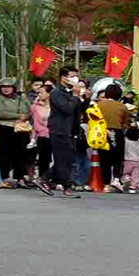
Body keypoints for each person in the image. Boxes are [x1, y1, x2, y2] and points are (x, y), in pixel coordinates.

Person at [41, 68, 88, 199]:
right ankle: (66, 186)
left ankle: (44, 179)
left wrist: (85, 99)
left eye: (76, 76)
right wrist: (75, 96)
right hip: (59, 130)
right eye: (72, 76)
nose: (75, 79)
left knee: (68, 158)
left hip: (71, 130)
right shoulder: (56, 93)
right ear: (63, 78)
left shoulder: (72, 93)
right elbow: (66, 109)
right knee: (63, 159)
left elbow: (80, 111)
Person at [0, 78, 29, 188]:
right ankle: (4, 178)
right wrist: (18, 116)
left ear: (13, 88)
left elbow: (28, 111)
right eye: (3, 87)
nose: (6, 89)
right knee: (4, 155)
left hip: (21, 129)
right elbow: (1, 113)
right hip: (4, 128)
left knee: (21, 154)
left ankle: (20, 178)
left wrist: (24, 116)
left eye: (8, 87)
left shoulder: (21, 98)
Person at [94, 84, 129, 191]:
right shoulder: (123, 107)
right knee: (118, 158)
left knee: (105, 160)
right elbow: (125, 123)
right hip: (117, 133)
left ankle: (106, 185)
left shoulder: (98, 105)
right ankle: (117, 179)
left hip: (102, 133)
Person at [122, 122, 139, 193]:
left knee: (125, 172)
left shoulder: (126, 142)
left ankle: (127, 178)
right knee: (136, 175)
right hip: (138, 162)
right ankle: (133, 187)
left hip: (127, 160)